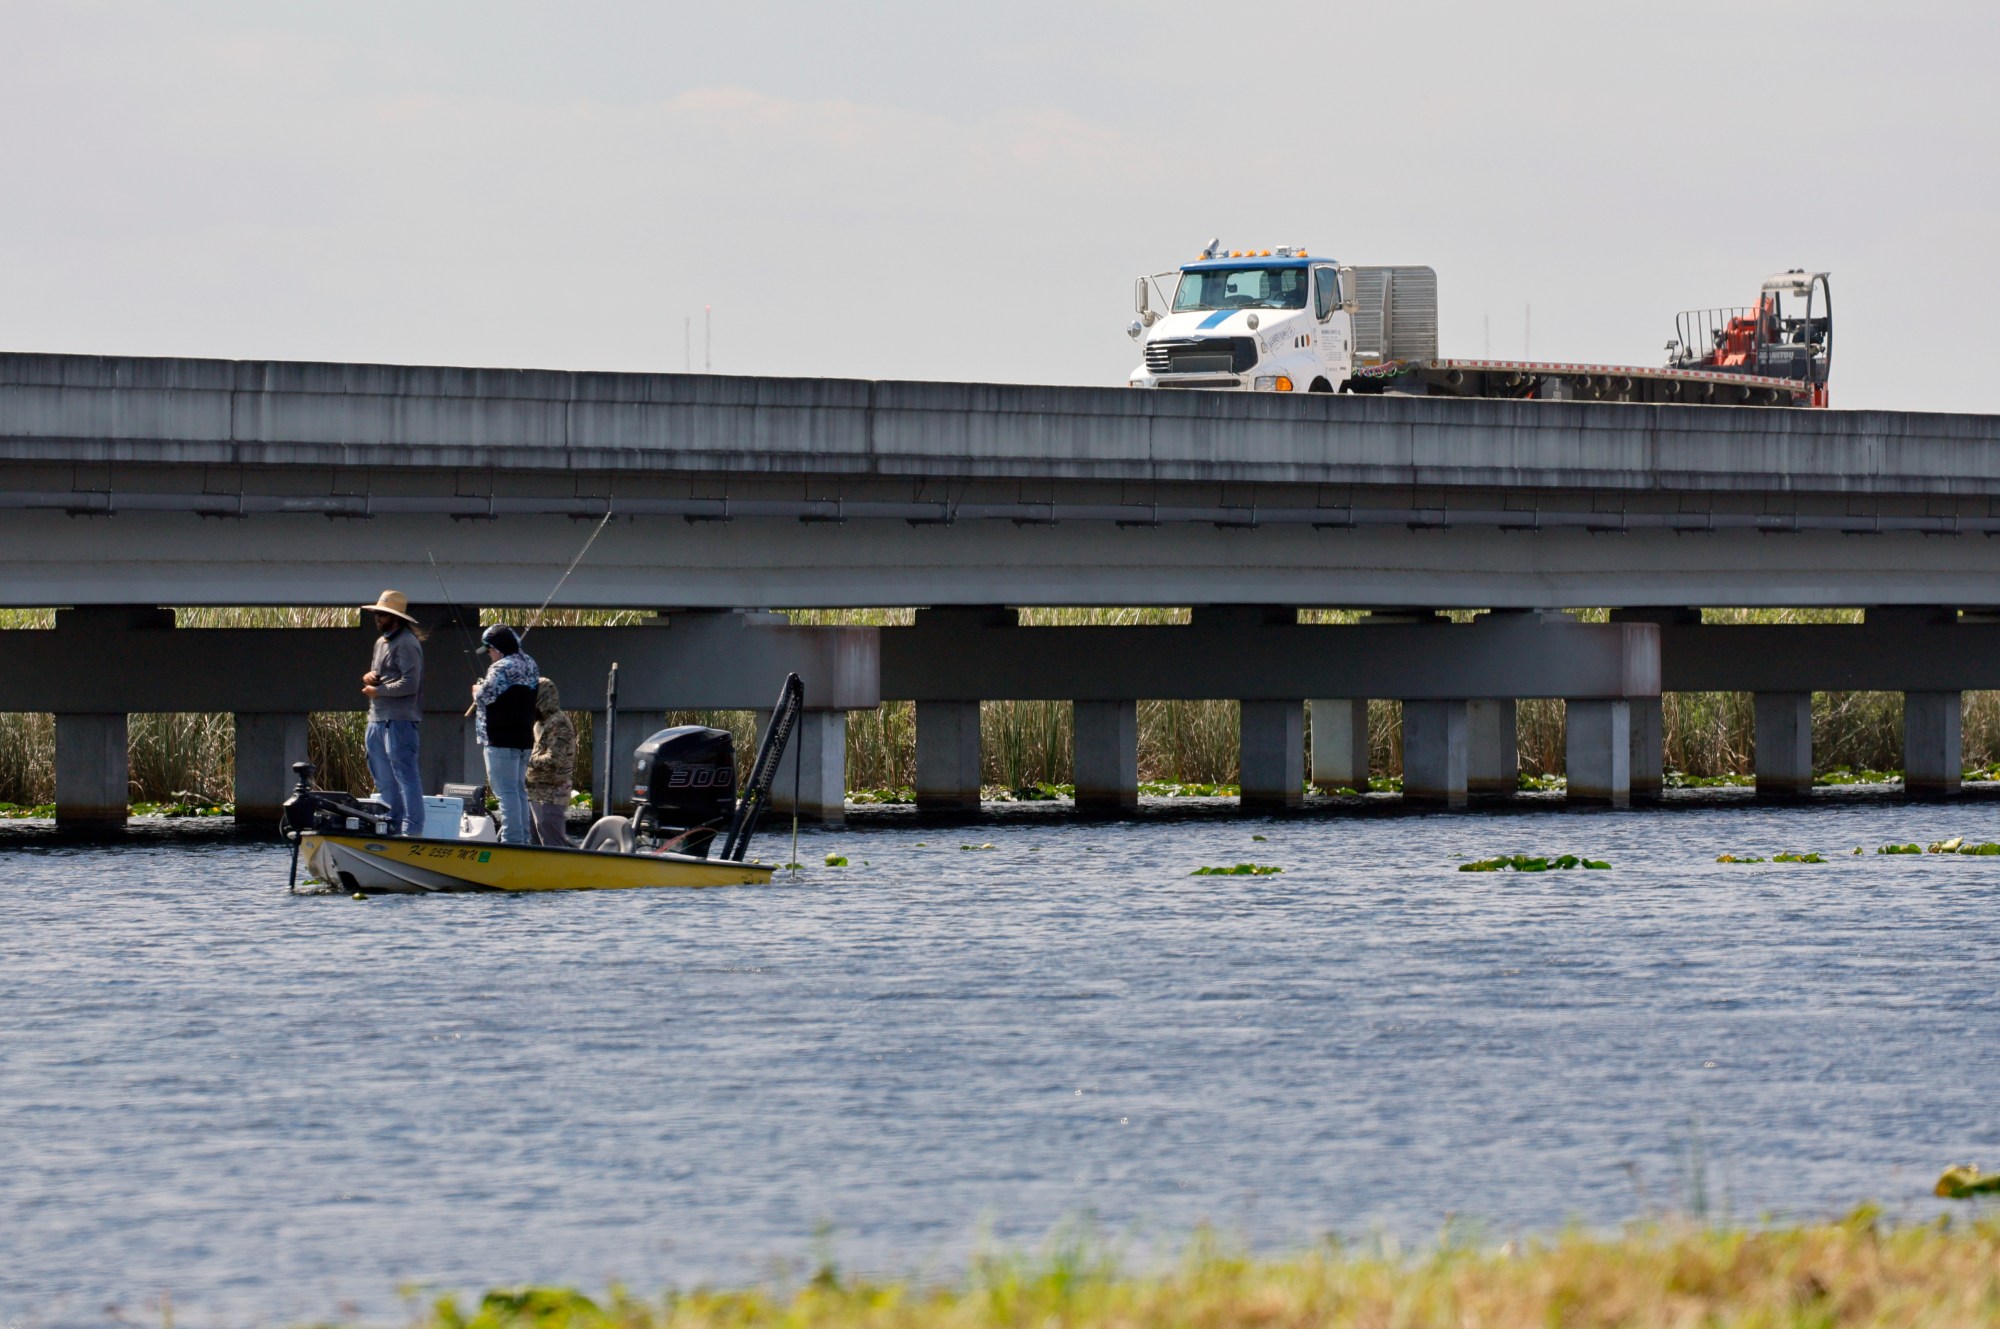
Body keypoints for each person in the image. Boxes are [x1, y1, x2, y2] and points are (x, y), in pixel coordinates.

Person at [359, 590, 425, 836]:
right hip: (376, 719)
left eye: (381, 614)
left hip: (400, 721)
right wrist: (369, 676)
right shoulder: (381, 642)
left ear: (395, 617)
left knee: (406, 778)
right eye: (376, 613)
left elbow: (410, 683)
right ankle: (391, 825)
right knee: (383, 778)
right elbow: (378, 674)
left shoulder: (407, 643)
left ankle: (413, 830)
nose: (376, 617)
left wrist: (380, 691)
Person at [471, 624, 539, 845]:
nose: (489, 655)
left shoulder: (500, 667)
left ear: (497, 648)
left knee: (505, 793)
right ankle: (523, 839)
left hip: (499, 739)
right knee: (518, 791)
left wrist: (475, 690)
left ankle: (512, 841)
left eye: (489, 650)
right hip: (523, 739)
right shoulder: (530, 663)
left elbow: (484, 696)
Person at [525, 676, 578, 848]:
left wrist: (524, 759)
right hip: (536, 792)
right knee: (534, 843)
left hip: (552, 793)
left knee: (553, 845)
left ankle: (563, 873)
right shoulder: (540, 723)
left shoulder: (558, 722)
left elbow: (553, 760)